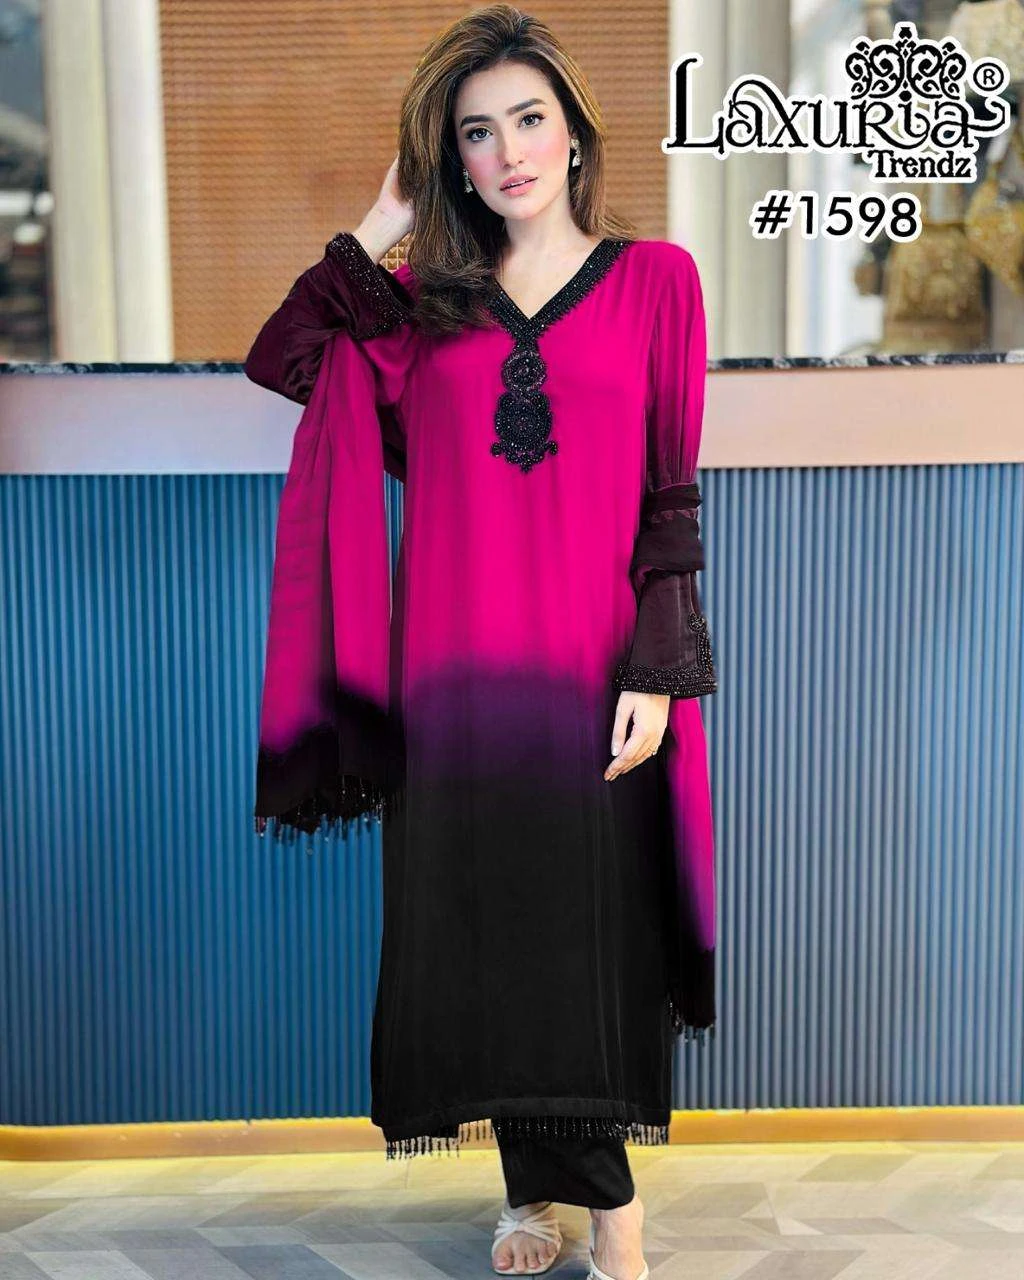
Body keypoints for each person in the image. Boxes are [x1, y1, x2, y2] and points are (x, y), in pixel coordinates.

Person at [244, 7, 718, 1278]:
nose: (507, 152)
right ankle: (530, 1189)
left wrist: (660, 672)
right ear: (449, 158)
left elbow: (670, 498)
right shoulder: (420, 309)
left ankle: (609, 1206)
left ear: (574, 135)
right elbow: (282, 354)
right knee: (487, 925)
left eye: (528, 120)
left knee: (590, 927)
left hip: (596, 666)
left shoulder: (658, 281)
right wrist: (383, 217)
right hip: (449, 677)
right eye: (475, 132)